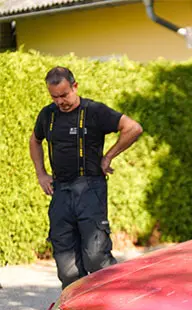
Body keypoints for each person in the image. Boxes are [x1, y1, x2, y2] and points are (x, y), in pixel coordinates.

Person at [29, 66, 142, 289]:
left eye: (64, 95)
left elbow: (133, 128)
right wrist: (41, 174)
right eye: (55, 97)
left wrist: (108, 156)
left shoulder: (94, 111)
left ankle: (115, 306)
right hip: (60, 191)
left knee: (96, 258)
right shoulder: (47, 115)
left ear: (75, 87)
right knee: (67, 268)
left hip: (90, 188)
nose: (60, 101)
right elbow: (35, 140)